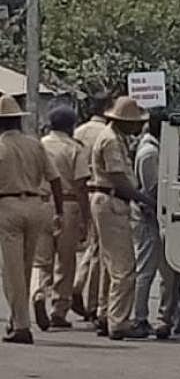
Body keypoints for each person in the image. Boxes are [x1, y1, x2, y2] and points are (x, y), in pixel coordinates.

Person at [0, 94, 63, 344]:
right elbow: (55, 179)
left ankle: (21, 325)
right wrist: (59, 211)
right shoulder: (35, 144)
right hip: (36, 205)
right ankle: (18, 320)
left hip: (7, 205)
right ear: (18, 120)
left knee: (11, 269)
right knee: (25, 267)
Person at [89, 95, 152, 340]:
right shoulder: (111, 140)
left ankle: (105, 314)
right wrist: (144, 199)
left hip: (108, 200)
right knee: (124, 268)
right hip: (112, 200)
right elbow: (118, 179)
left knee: (109, 265)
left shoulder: (114, 137)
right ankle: (118, 321)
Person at [31, 104, 90, 331]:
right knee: (65, 261)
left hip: (41, 203)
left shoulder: (39, 146)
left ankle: (38, 293)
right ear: (71, 126)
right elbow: (81, 185)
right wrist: (86, 218)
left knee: (41, 260)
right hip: (68, 204)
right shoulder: (74, 149)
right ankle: (59, 308)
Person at [131, 110, 176, 337]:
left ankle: (164, 318)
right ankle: (140, 318)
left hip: (161, 216)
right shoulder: (149, 152)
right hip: (150, 217)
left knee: (171, 272)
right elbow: (153, 189)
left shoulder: (159, 149)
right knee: (146, 270)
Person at [72, 91, 111, 321]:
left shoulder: (80, 132)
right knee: (98, 249)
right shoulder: (107, 133)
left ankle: (77, 286)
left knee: (90, 246)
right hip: (101, 190)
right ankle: (93, 300)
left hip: (79, 190)